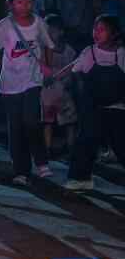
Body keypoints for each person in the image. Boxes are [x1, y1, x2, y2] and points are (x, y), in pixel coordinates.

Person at [0, 0, 54, 185]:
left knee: (31, 121)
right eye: (19, 2)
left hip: (32, 80)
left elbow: (48, 45)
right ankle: (21, 170)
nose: (24, 6)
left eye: (28, 2)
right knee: (15, 127)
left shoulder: (39, 23)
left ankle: (41, 161)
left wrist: (47, 66)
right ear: (10, 4)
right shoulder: (4, 26)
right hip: (10, 83)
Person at [61, 15, 125, 191]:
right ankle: (80, 178)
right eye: (95, 29)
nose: (96, 33)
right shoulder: (89, 52)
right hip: (93, 107)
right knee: (86, 141)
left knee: (121, 144)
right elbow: (75, 73)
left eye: (102, 29)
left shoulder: (121, 54)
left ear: (114, 33)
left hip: (117, 107)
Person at [40, 15, 77, 155]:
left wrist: (70, 81)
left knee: (69, 121)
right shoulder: (43, 51)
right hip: (48, 92)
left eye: (51, 31)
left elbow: (74, 70)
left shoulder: (69, 51)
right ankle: (47, 148)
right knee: (48, 122)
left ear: (61, 31)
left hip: (65, 92)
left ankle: (71, 147)